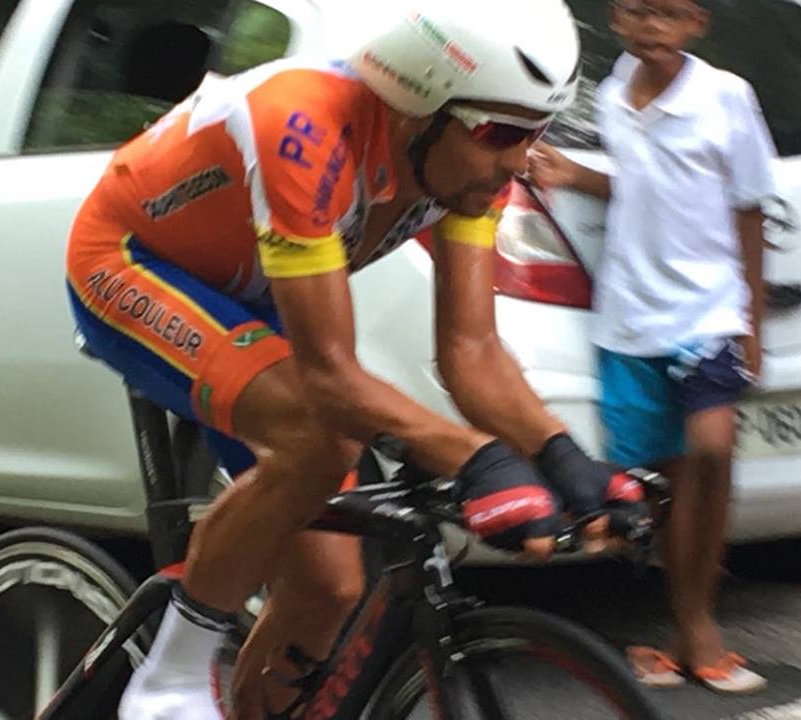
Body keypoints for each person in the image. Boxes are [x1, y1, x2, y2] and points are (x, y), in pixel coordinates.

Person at [66, 1, 644, 717]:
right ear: (419, 104)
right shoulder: (304, 125)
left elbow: (472, 352)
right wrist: (473, 457)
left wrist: (562, 457)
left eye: (538, 133)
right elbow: (330, 374)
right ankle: (171, 681)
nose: (521, 161)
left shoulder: (467, 170)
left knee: (329, 590)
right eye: (502, 132)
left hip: (255, 293)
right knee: (319, 433)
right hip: (130, 263)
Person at [531, 0, 777, 695]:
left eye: (669, 14)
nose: (652, 28)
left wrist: (751, 320)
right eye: (639, 12)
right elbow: (641, 184)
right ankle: (685, 629)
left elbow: (751, 205)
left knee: (712, 449)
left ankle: (701, 628)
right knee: (665, 487)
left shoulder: (726, 96)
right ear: (617, 21)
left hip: (709, 313)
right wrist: (576, 177)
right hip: (628, 320)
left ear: (696, 23)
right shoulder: (611, 97)